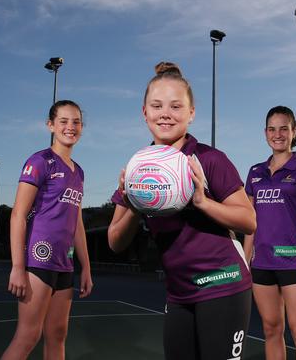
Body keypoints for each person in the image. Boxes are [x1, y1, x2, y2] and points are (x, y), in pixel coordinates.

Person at [107, 61, 256, 360]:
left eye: (176, 106)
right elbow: (115, 241)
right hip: (179, 293)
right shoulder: (138, 168)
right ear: (144, 112)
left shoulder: (208, 159)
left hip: (223, 284)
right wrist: (135, 208)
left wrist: (202, 201)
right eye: (157, 105)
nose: (165, 113)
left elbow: (248, 220)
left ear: (191, 113)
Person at [2, 100, 93, 360]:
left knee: (57, 335)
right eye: (63, 121)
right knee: (28, 336)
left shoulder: (80, 172)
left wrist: (85, 267)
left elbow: (76, 222)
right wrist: (18, 267)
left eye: (76, 121)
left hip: (64, 264)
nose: (70, 127)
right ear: (50, 125)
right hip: (37, 261)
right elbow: (18, 214)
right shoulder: (40, 161)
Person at [243, 106, 296, 360]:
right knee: (271, 329)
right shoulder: (255, 172)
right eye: (272, 129)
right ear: (265, 132)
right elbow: (248, 224)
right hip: (262, 264)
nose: (277, 134)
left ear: (294, 131)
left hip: (295, 261)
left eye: (283, 128)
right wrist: (245, 263)